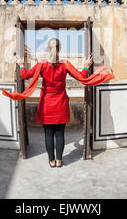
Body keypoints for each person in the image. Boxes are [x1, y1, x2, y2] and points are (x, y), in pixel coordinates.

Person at [16, 38, 93, 168]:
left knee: (48, 133)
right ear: (59, 48)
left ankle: (51, 160)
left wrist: (21, 64)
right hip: (61, 104)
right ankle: (59, 160)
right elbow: (82, 76)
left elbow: (25, 75)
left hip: (46, 105)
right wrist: (86, 65)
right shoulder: (65, 64)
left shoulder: (42, 64)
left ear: (48, 48)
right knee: (59, 133)